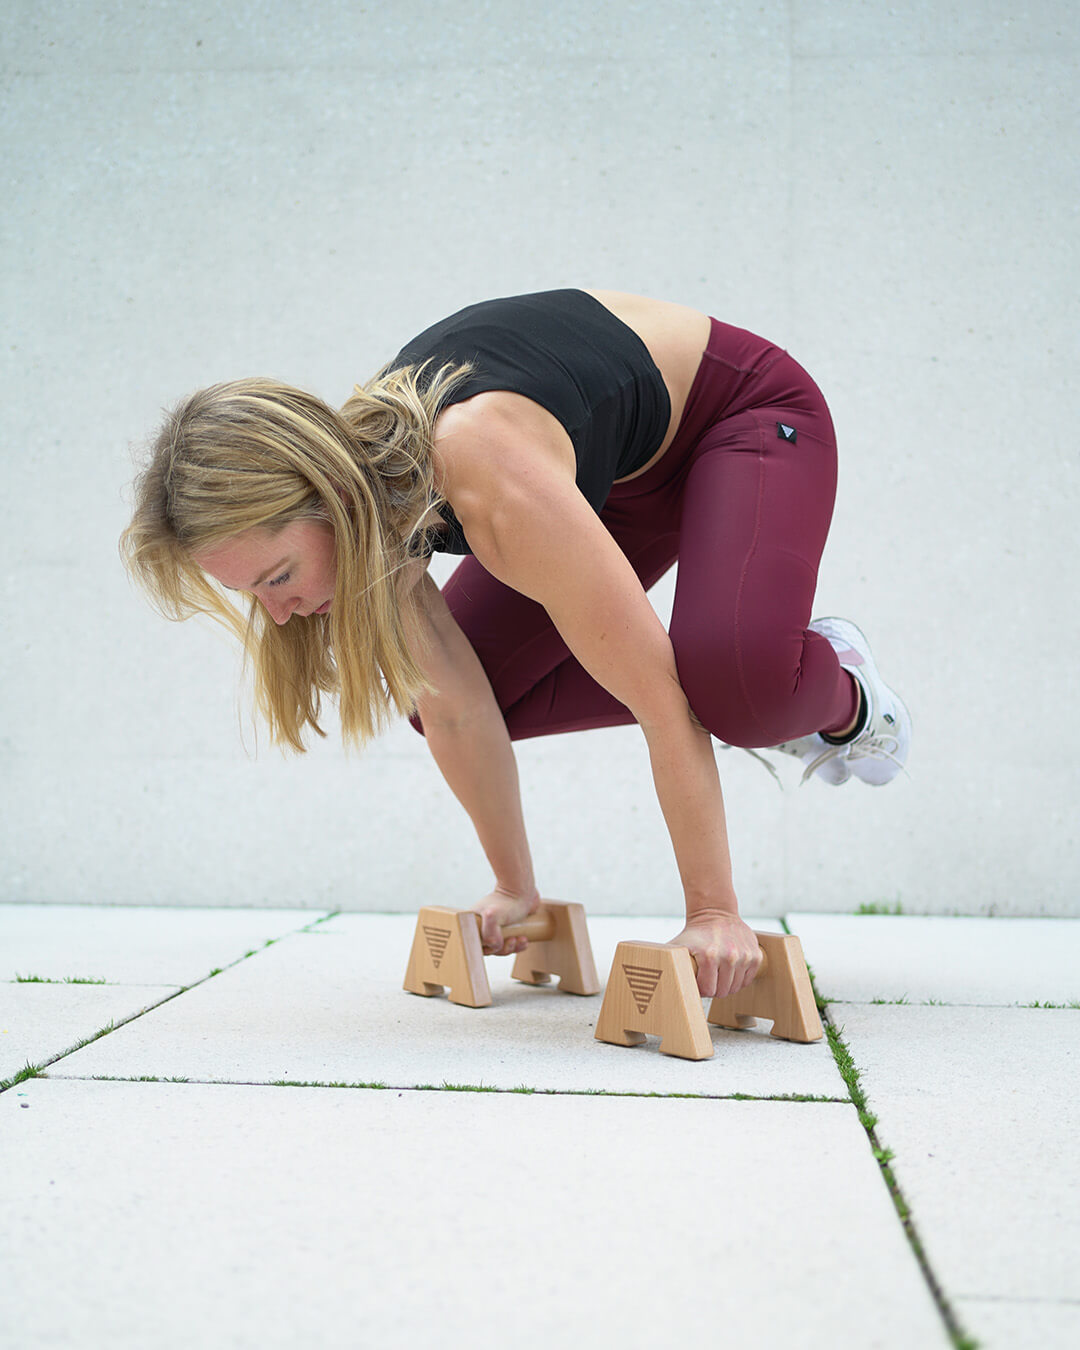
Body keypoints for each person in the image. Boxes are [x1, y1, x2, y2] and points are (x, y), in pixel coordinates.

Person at [121, 288, 910, 1000]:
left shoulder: (482, 471)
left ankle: (831, 684)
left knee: (727, 688)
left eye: (279, 575)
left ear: (325, 495)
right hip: (606, 476)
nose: (283, 614)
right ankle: (761, 669)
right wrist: (513, 890)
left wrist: (712, 913)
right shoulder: (378, 512)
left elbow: (658, 701)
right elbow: (461, 711)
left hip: (740, 418)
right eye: (254, 593)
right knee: (458, 697)